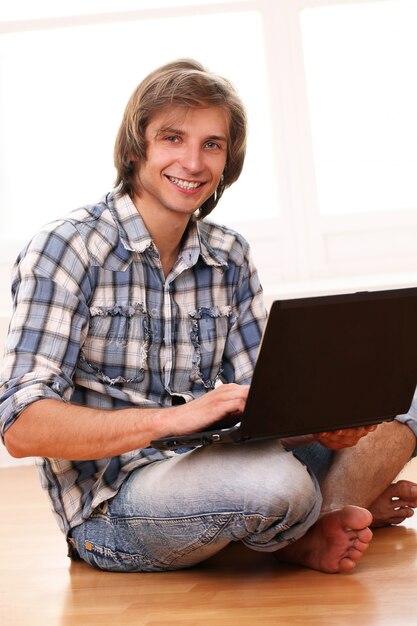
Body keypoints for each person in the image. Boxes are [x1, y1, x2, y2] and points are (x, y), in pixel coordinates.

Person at [0, 59, 416, 575]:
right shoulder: (66, 247)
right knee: (276, 486)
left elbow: (266, 413)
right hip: (116, 501)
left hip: (217, 461)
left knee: (398, 399)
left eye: (212, 144)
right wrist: (170, 420)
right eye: (173, 138)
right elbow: (20, 426)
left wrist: (320, 427)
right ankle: (316, 519)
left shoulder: (229, 255)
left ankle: (315, 520)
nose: (192, 162)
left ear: (227, 161)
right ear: (136, 149)